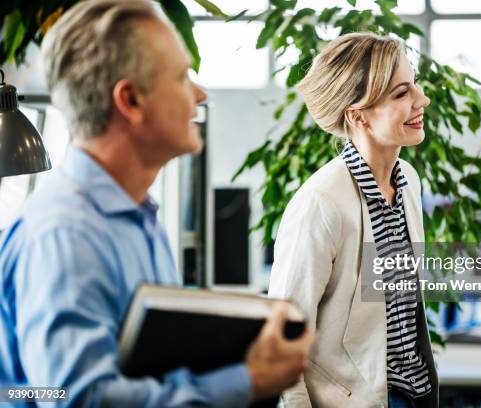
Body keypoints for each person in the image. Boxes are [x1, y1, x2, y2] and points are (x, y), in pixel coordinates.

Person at [0, 1, 314, 406]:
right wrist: (247, 381)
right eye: (182, 77)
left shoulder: (135, 217)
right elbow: (78, 398)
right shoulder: (66, 232)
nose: (200, 95)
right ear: (130, 100)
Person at [268, 33, 438, 407]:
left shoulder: (408, 180)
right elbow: (281, 340)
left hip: (416, 395)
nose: (421, 100)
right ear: (356, 115)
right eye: (401, 93)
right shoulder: (320, 204)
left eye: (416, 86)